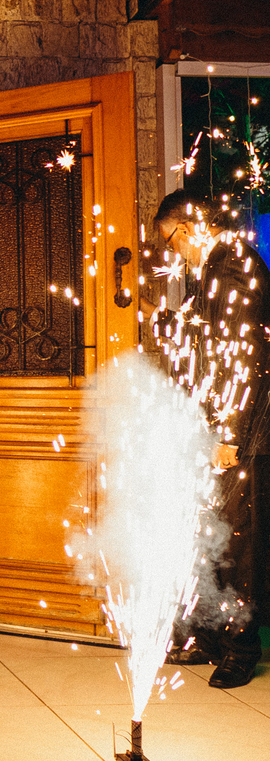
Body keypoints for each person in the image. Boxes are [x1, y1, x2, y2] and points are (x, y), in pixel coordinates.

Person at [156, 189, 269, 688]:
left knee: (237, 541)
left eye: (173, 240)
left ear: (192, 226)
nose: (174, 253)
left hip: (240, 433)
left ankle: (241, 646)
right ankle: (209, 635)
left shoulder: (233, 269)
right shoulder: (217, 269)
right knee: (210, 533)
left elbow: (244, 362)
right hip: (218, 427)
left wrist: (228, 434)